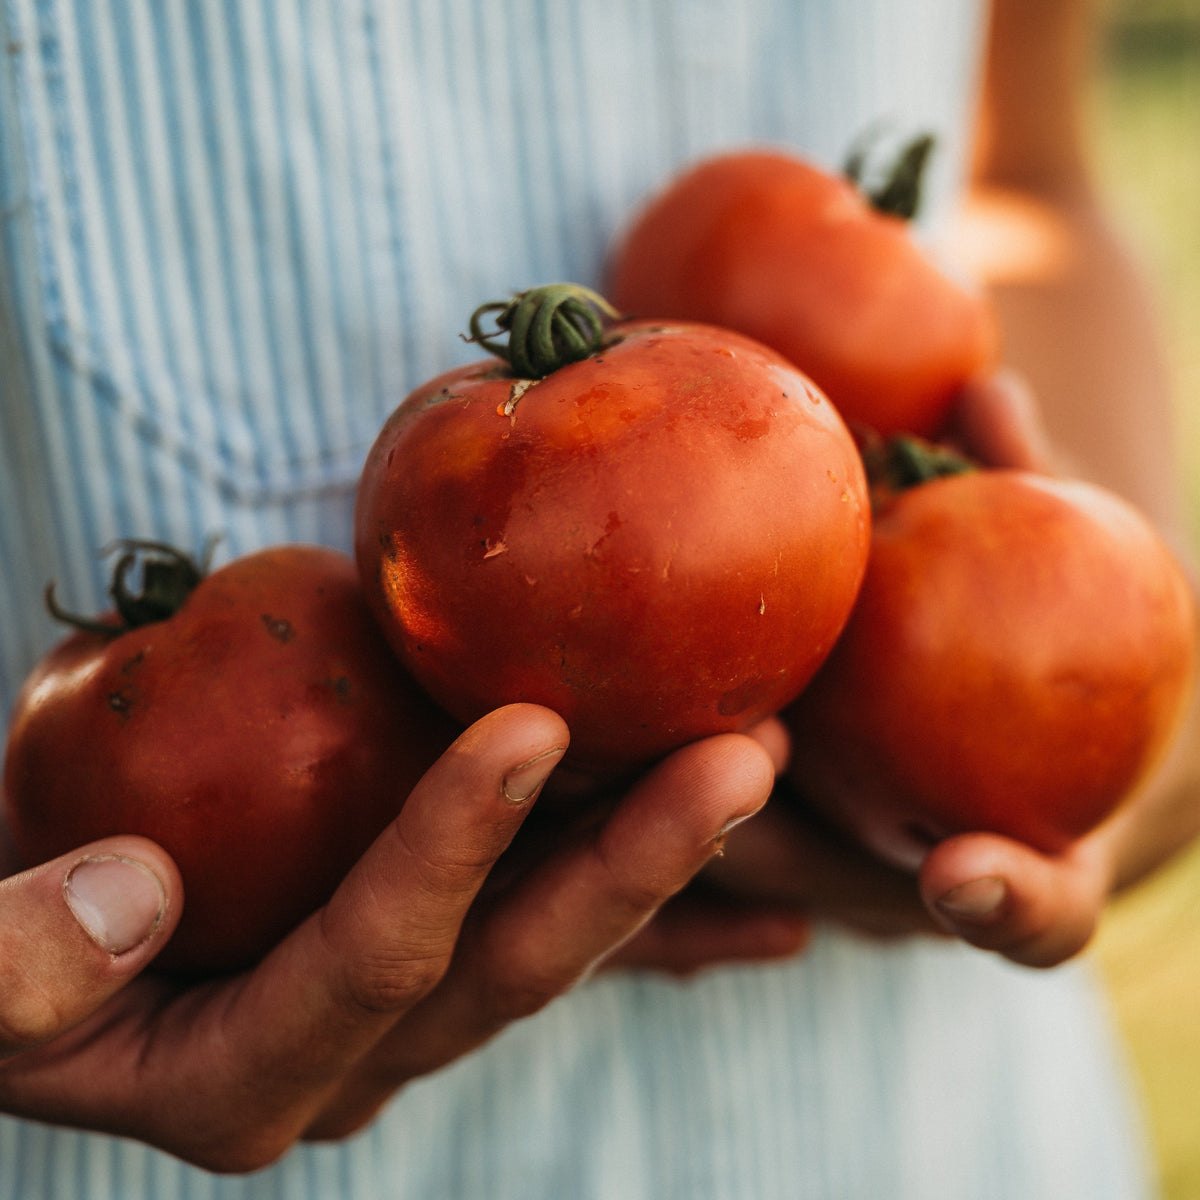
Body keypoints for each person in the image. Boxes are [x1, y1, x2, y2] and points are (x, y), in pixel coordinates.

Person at [0, 1, 1195, 1197]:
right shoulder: (562, 455)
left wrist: (1115, 687)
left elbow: (1030, 171)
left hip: (927, 1119)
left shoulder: (723, 401)